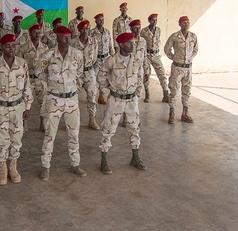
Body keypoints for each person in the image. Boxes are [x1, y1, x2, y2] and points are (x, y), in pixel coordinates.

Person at [37, 25, 87, 180]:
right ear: (57, 38)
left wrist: (74, 88)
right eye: (64, 37)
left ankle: (75, 164)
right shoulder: (48, 55)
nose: (67, 40)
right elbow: (39, 72)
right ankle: (45, 166)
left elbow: (80, 74)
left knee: (74, 133)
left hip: (71, 100)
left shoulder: (77, 55)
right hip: (54, 99)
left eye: (69, 37)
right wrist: (54, 84)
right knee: (49, 134)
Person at [0, 34, 33, 185]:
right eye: (7, 46)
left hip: (18, 108)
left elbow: (27, 86)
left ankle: (13, 167)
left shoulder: (22, 64)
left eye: (13, 46)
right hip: (0, 109)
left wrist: (28, 106)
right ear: (1, 47)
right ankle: (2, 169)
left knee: (17, 139)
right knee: (2, 140)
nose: (11, 49)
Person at [98, 31, 147, 173]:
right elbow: (101, 77)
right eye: (129, 42)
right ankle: (104, 159)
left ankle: (135, 157)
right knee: (108, 129)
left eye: (133, 42)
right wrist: (112, 87)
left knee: (134, 128)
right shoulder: (111, 60)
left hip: (132, 100)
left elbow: (140, 75)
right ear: (121, 45)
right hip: (116, 100)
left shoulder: (136, 58)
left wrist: (138, 92)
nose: (132, 44)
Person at [164, 15, 199, 124]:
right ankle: (172, 113)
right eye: (184, 22)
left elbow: (196, 50)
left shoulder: (193, 36)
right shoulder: (175, 36)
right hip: (177, 68)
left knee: (187, 91)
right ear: (179, 24)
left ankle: (185, 113)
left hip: (188, 68)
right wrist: (174, 57)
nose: (186, 24)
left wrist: (188, 58)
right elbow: (166, 49)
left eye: (187, 22)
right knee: (174, 90)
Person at [17, 23, 48, 131]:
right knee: (25, 100)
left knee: (43, 101)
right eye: (35, 32)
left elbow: (47, 64)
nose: (38, 34)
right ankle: (25, 122)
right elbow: (19, 65)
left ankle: (42, 121)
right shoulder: (23, 48)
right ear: (30, 34)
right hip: (28, 79)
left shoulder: (45, 48)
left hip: (40, 79)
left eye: (39, 32)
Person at [73, 20, 101, 130]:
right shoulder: (74, 42)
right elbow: (72, 58)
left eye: (87, 29)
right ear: (79, 30)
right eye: (83, 29)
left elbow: (94, 58)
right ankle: (73, 120)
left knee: (92, 96)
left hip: (89, 72)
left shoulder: (93, 42)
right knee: (73, 96)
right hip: (77, 73)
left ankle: (92, 119)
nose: (85, 31)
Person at [141, 13, 170, 103]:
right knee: (146, 74)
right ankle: (147, 94)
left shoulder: (158, 30)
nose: (155, 21)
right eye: (153, 20)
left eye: (156, 20)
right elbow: (142, 43)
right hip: (147, 55)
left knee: (161, 73)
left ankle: (165, 94)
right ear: (149, 21)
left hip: (156, 55)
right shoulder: (144, 31)